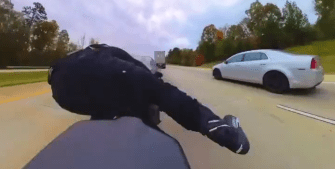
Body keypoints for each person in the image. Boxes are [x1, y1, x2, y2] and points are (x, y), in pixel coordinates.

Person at [48, 44, 250, 155]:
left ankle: (103, 148)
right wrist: (152, 84)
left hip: (61, 91)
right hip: (94, 69)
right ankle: (223, 131)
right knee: (161, 92)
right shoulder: (117, 57)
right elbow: (139, 78)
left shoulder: (91, 54)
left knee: (107, 108)